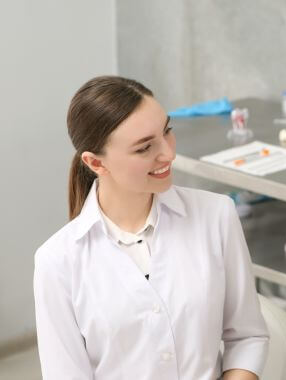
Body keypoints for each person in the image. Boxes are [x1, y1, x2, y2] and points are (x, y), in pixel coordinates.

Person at [33, 76, 269, 379]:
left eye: (167, 131)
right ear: (95, 163)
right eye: (144, 148)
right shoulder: (57, 262)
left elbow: (247, 337)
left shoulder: (216, 215)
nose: (168, 154)